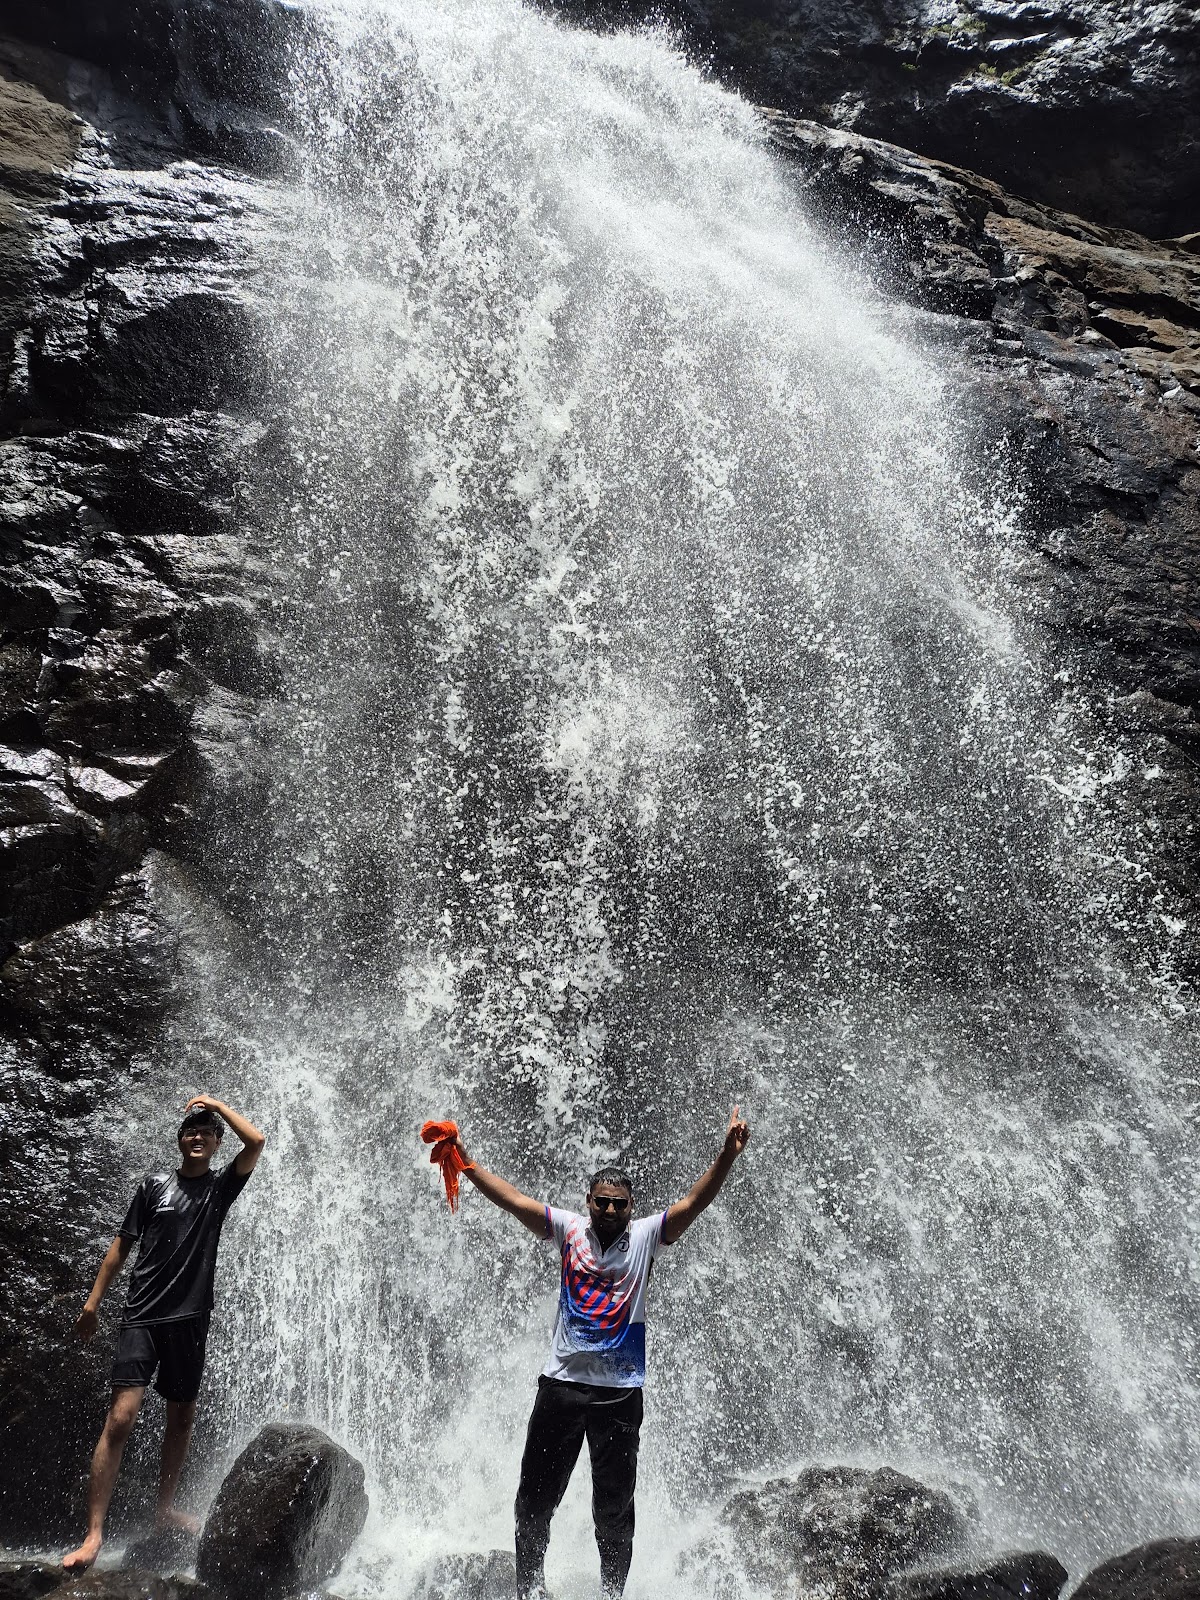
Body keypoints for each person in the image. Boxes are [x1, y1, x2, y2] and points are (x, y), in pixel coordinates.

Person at [440, 1106, 751, 1599]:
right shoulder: (568, 1230)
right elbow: (514, 1200)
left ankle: (611, 1595)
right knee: (533, 1503)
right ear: (589, 1202)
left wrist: (727, 1156)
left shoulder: (647, 1235)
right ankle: (530, 1591)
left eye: (619, 1205)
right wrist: (467, 1162)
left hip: (619, 1395)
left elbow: (695, 1201)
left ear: (631, 1206)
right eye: (602, 1203)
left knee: (613, 1511)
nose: (610, 1212)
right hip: (560, 1389)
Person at [62, 1095, 266, 1571]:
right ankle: (93, 1535)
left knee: (181, 1419)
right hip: (143, 1314)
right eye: (190, 1130)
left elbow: (256, 1140)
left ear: (217, 1143)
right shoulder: (153, 1186)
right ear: (180, 1140)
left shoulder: (220, 1189)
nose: (197, 1136)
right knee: (121, 1418)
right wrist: (93, 1303)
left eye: (207, 1131)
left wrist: (214, 1102)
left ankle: (164, 1510)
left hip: (191, 1318)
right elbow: (120, 1248)